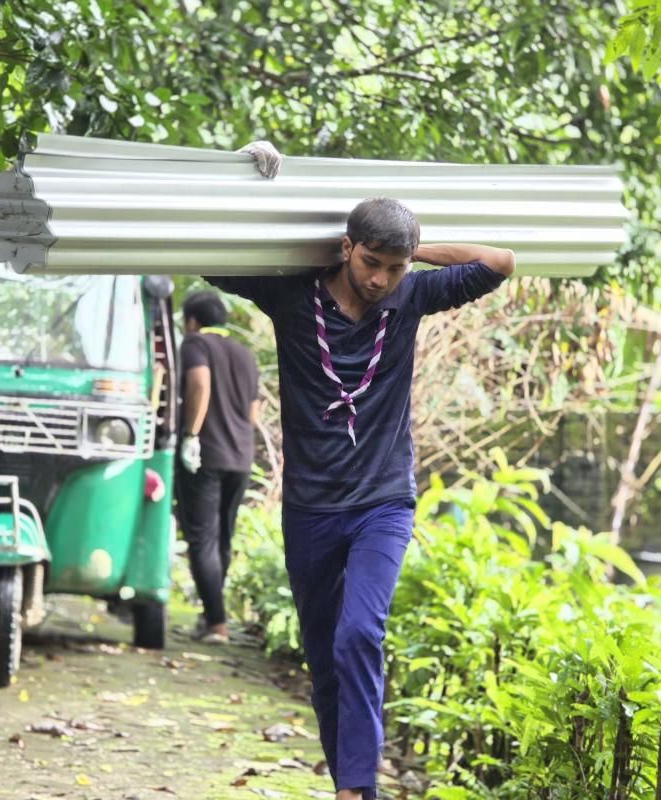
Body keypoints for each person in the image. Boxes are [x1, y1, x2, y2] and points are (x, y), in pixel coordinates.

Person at [213, 143, 515, 800]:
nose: (379, 279)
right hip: (310, 508)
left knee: (359, 634)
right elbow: (211, 253)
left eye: (393, 268)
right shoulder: (289, 296)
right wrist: (244, 170)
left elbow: (499, 262)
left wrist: (415, 252)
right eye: (371, 262)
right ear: (345, 248)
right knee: (325, 658)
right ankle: (355, 788)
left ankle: (354, 791)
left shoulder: (412, 295)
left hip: (383, 502)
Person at [175, 290, 260, 645]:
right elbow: (253, 412)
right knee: (222, 537)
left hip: (205, 454)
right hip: (241, 456)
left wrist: (192, 434)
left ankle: (216, 625)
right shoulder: (245, 354)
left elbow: (199, 383)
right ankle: (212, 618)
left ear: (192, 321)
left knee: (202, 539)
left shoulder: (195, 343)